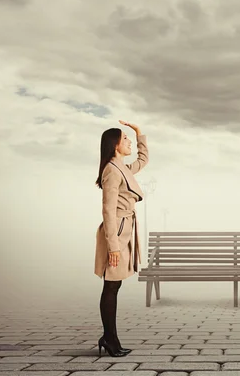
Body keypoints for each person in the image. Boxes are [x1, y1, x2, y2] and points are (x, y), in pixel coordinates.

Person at [94, 120, 149, 357]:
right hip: (116, 231)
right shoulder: (111, 171)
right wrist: (113, 247)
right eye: (125, 139)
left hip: (124, 229)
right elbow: (107, 210)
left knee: (114, 285)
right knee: (111, 285)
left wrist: (139, 134)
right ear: (115, 145)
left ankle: (110, 337)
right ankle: (109, 338)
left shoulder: (122, 167)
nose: (128, 143)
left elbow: (143, 160)